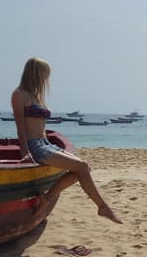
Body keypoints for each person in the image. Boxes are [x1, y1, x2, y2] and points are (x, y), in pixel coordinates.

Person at [12, 57, 122, 223]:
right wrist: (25, 151)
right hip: (35, 146)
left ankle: (46, 199)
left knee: (84, 168)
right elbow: (20, 127)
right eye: (44, 74)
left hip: (47, 144)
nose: (46, 79)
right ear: (35, 73)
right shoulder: (19, 95)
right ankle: (103, 207)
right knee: (82, 167)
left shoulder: (37, 96)